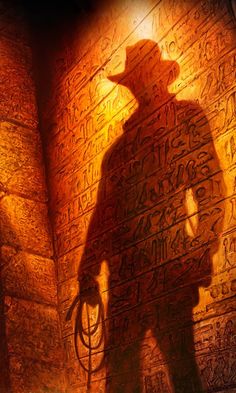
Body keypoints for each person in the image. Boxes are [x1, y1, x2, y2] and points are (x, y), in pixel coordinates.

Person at [71, 39, 225, 392]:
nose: (143, 83)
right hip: (126, 284)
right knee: (122, 380)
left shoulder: (187, 119)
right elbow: (103, 216)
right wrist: (87, 271)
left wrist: (200, 252)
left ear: (160, 75)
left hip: (169, 270)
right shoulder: (117, 153)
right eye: (137, 77)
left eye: (146, 74)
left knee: (184, 373)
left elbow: (210, 190)